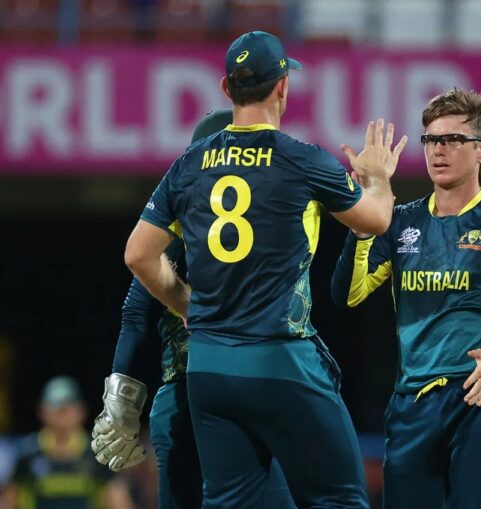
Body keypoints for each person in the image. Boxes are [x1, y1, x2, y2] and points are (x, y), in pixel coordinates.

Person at [122, 30, 407, 508]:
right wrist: (378, 179)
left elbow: (138, 254)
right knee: (338, 499)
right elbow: (376, 221)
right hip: (281, 361)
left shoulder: (188, 164)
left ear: (225, 88)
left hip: (209, 368)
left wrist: (187, 305)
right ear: (283, 87)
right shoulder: (300, 158)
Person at [330, 88, 481, 508]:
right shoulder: (400, 223)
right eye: (431, 139)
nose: (438, 149)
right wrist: (363, 219)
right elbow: (347, 295)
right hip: (412, 405)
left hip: (480, 400)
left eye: (453, 139)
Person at [90, 109, 295, 509]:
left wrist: (122, 399)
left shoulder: (186, 219)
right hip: (222, 391)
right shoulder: (255, 219)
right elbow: (137, 308)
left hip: (207, 392)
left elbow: (136, 311)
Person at [2, 376, 134, 509]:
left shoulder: (99, 453)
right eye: (56, 408)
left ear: (81, 412)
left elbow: (118, 499)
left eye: (68, 407)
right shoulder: (27, 453)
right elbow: (10, 500)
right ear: (42, 412)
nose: (62, 414)